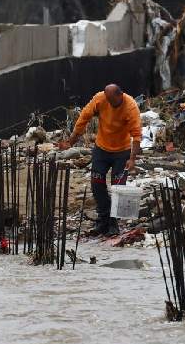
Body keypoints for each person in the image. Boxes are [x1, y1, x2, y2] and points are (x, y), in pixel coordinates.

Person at [58, 84, 141, 236]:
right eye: (107, 99)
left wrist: (132, 158)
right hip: (101, 149)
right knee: (97, 185)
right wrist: (72, 140)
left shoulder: (131, 106)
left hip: (122, 152)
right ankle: (103, 220)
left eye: (112, 100)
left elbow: (136, 135)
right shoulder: (100, 98)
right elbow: (84, 118)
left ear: (120, 94)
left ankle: (113, 224)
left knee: (118, 189)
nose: (109, 103)